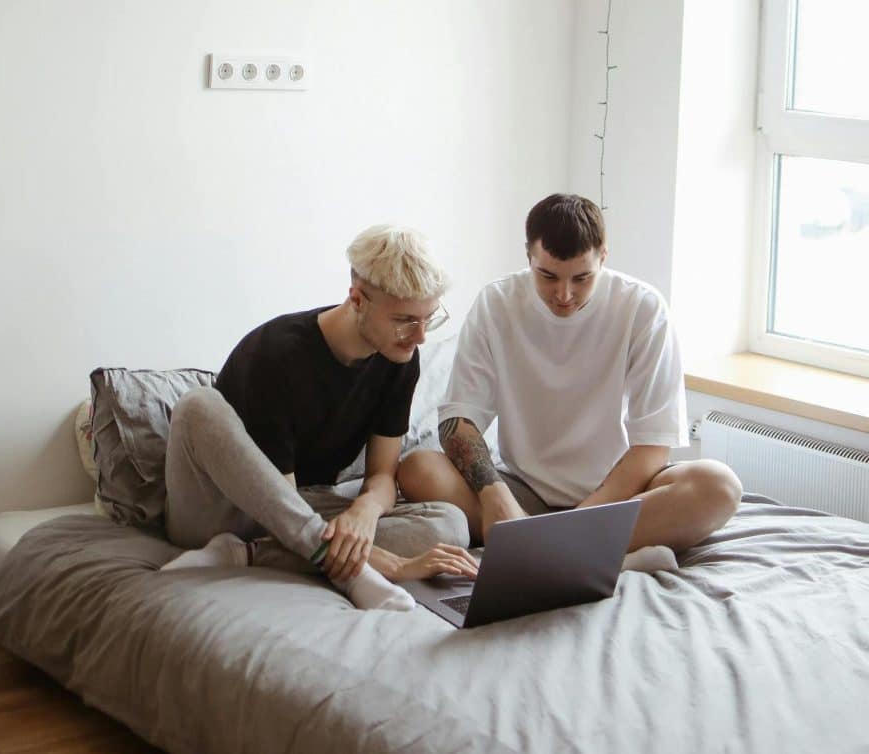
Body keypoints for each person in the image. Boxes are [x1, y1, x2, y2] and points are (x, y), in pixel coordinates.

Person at [398, 194, 742, 571]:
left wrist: (577, 522)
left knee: (718, 486)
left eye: (582, 278)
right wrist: (495, 495)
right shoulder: (496, 303)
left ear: (603, 258)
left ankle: (544, 549)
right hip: (523, 491)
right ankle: (599, 556)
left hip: (616, 493)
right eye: (547, 276)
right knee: (417, 468)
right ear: (529, 257)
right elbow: (458, 420)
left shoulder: (643, 309)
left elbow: (652, 446)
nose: (564, 295)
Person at [161, 225, 479, 610]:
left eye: (428, 319)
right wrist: (391, 564)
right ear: (358, 299)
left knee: (449, 525)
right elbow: (281, 498)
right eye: (405, 320)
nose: (420, 337)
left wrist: (364, 512)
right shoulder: (276, 354)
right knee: (197, 405)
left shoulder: (399, 360)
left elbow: (381, 476)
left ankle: (247, 555)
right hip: (220, 508)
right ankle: (356, 571)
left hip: (302, 509)